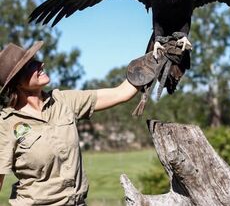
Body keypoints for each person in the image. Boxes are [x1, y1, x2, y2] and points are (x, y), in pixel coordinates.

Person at [0, 41, 139, 205]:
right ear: (18, 82)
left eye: (36, 59)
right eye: (31, 65)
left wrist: (153, 57)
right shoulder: (6, 124)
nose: (41, 64)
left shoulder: (63, 101)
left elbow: (120, 94)